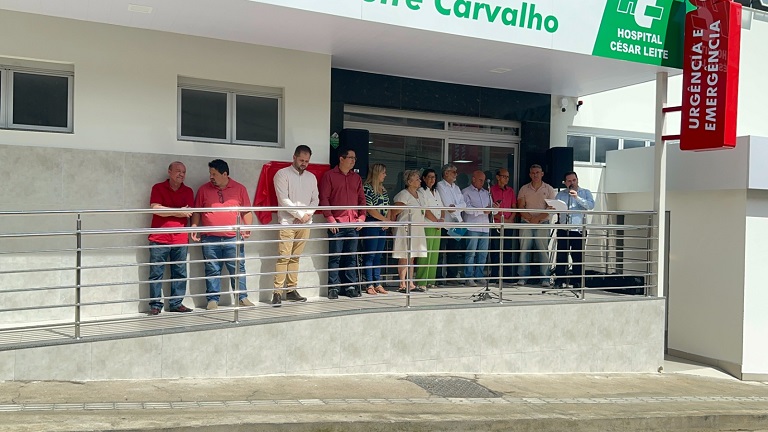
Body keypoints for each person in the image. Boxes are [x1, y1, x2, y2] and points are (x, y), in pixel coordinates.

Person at [190, 159, 255, 310]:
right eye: (210, 173)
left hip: (233, 237)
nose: (211, 177)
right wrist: (194, 226)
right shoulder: (203, 190)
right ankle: (212, 300)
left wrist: (247, 227)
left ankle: (242, 297)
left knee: (238, 268)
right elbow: (197, 212)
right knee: (212, 269)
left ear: (224, 174)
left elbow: (246, 211)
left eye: (214, 174)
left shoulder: (240, 189)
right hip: (210, 238)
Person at [271, 145, 318, 306]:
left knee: (295, 257)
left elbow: (316, 199)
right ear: (294, 157)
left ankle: (291, 290)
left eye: (307, 161)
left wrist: (306, 215)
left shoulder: (311, 177)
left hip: (305, 223)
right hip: (287, 222)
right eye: (301, 160)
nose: (304, 163)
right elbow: (283, 199)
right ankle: (277, 292)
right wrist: (300, 215)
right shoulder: (282, 174)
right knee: (284, 257)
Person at [147, 161, 195, 315]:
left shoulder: (188, 191)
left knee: (180, 273)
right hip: (159, 237)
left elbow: (189, 213)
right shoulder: (158, 188)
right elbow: (156, 209)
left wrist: (169, 211)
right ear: (169, 172)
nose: (181, 174)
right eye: (178, 171)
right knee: (156, 273)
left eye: (184, 172)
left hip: (180, 238)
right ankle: (155, 305)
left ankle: (176, 303)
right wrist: (178, 212)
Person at [319, 148, 366, 299]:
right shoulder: (329, 176)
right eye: (351, 157)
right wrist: (330, 219)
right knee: (335, 256)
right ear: (341, 158)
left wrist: (362, 217)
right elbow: (324, 198)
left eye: (354, 158)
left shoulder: (356, 178)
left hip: (353, 223)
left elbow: (362, 199)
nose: (353, 161)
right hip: (337, 224)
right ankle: (333, 287)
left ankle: (350, 286)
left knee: (351, 257)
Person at [517, 164, 557, 287]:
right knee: (524, 250)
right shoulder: (524, 189)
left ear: (542, 174)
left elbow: (551, 208)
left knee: (543, 250)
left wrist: (537, 219)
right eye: (533, 173)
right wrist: (531, 219)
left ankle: (545, 278)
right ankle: (523, 277)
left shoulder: (549, 189)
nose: (535, 175)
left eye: (537, 172)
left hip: (543, 223)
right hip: (526, 222)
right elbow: (520, 206)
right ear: (530, 175)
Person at [554, 171, 595, 288]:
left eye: (574, 180)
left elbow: (590, 205)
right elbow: (555, 208)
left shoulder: (585, 192)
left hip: (578, 230)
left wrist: (577, 197)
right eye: (569, 181)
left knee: (577, 257)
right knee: (561, 256)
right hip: (563, 229)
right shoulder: (561, 194)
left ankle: (577, 282)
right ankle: (559, 280)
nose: (572, 183)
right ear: (565, 182)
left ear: (577, 180)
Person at [389, 170, 428, 292]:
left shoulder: (420, 194)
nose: (420, 181)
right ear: (409, 182)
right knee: (404, 256)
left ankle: (410, 282)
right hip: (405, 229)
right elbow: (394, 212)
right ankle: (402, 283)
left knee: (412, 257)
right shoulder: (403, 195)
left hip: (417, 228)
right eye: (417, 179)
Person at [361, 163, 390, 295]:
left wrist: (387, 220)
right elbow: (370, 209)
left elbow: (388, 206)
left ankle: (377, 282)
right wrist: (384, 220)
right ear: (377, 173)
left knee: (378, 255)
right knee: (370, 254)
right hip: (372, 223)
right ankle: (369, 283)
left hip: (382, 225)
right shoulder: (367, 188)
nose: (385, 175)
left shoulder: (383, 189)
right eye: (383, 173)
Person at [436, 163, 466, 285]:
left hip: (457, 223)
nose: (456, 174)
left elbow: (464, 205)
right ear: (446, 173)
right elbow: (448, 206)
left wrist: (456, 207)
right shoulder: (440, 185)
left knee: (454, 251)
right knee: (440, 251)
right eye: (453, 172)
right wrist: (457, 207)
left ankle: (451, 276)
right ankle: (438, 277)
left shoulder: (456, 187)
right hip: (444, 223)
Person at [415, 168, 444, 290]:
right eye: (429, 177)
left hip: (438, 226)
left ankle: (431, 281)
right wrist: (436, 221)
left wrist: (442, 220)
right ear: (424, 178)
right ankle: (421, 281)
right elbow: (425, 210)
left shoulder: (436, 192)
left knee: (434, 254)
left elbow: (442, 207)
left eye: (434, 177)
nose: (432, 179)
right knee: (424, 254)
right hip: (427, 225)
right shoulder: (421, 191)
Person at [461, 170, 492, 287]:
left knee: (483, 254)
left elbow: (491, 209)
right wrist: (482, 211)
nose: (482, 182)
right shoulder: (466, 192)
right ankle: (468, 277)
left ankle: (479, 275)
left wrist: (494, 207)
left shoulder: (486, 193)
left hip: (485, 227)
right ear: (473, 179)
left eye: (483, 180)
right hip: (472, 226)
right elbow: (467, 209)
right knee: (471, 253)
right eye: (480, 180)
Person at [489, 168, 517, 283]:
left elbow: (514, 207)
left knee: (507, 249)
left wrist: (510, 220)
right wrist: (501, 219)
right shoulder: (491, 190)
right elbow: (490, 209)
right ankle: (494, 275)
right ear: (498, 177)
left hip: (508, 224)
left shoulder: (510, 191)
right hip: (496, 223)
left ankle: (506, 275)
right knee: (495, 250)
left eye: (507, 177)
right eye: (504, 176)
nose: (506, 179)